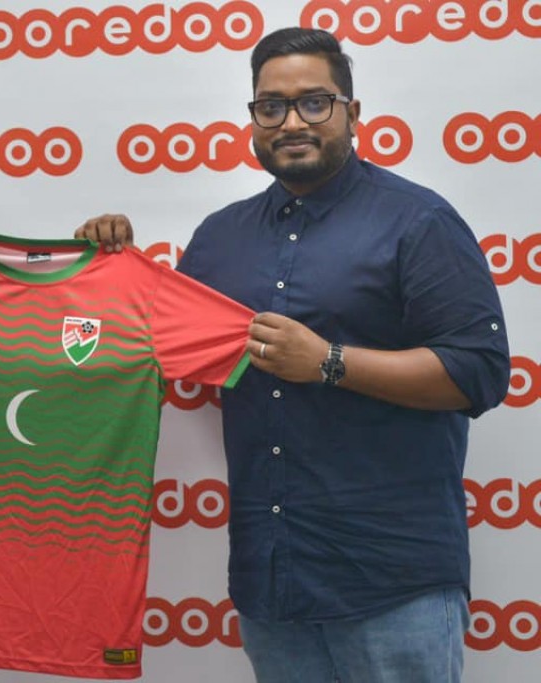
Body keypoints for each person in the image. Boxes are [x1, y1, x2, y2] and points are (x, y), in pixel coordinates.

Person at [78, 27, 510, 683]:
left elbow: (479, 372)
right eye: (271, 106)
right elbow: (155, 349)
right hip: (272, 578)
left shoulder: (419, 222)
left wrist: (329, 361)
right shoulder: (220, 238)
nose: (292, 122)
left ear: (352, 113)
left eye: (314, 102)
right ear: (253, 117)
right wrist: (104, 268)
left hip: (392, 581)